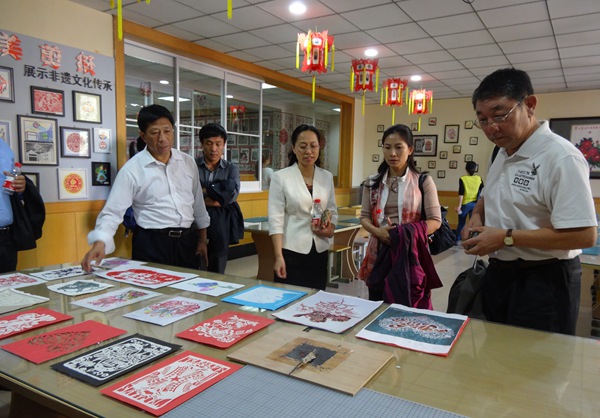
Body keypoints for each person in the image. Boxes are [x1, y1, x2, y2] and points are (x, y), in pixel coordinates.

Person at [462, 68, 597, 335]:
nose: (492, 128)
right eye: (483, 120)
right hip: (500, 274)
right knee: (496, 350)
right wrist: (476, 217)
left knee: (539, 358)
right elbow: (488, 195)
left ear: (530, 105)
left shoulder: (561, 157)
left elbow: (584, 235)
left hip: (545, 279)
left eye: (500, 115)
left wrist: (506, 238)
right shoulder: (500, 152)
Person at [81, 104, 210, 271]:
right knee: (154, 287)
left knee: (187, 287)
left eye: (167, 131)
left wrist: (202, 240)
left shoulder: (187, 162)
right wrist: (100, 242)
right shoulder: (132, 169)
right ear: (143, 135)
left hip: (187, 242)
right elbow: (112, 212)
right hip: (152, 244)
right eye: (155, 133)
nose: (162, 138)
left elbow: (198, 205)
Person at [358, 124, 442, 307]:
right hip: (378, 254)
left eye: (399, 147)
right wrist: (378, 232)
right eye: (387, 147)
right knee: (376, 306)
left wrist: (404, 233)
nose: (392, 153)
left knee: (407, 308)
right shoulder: (372, 182)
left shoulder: (423, 182)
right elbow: (364, 216)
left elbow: (436, 221)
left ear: (410, 150)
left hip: (410, 257)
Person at [268, 124, 337, 290]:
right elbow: (275, 220)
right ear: (293, 148)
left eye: (313, 146)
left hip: (319, 250)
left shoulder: (326, 177)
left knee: (316, 297)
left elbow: (332, 210)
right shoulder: (281, 177)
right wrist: (278, 256)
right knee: (289, 297)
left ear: (319, 147)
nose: (309, 151)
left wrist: (329, 229)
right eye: (303, 146)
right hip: (292, 250)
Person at [196, 123, 244, 274]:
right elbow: (186, 194)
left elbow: (230, 197)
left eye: (218, 144)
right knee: (195, 263)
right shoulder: (192, 166)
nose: (213, 148)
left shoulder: (231, 169)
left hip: (221, 222)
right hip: (194, 220)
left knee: (218, 264)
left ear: (224, 145)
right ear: (202, 144)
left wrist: (202, 191)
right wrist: (217, 191)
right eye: (209, 143)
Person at [454, 161, 483, 243]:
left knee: (461, 223)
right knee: (472, 223)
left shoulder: (463, 179)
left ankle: (457, 239)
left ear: (466, 169)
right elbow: (482, 191)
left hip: (465, 204)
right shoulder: (479, 178)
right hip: (475, 204)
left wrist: (459, 206)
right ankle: (471, 239)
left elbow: (461, 193)